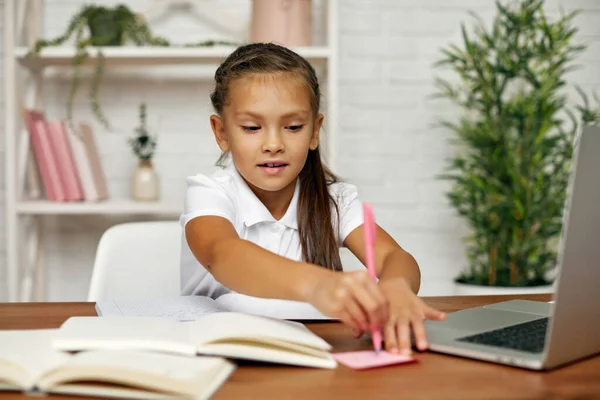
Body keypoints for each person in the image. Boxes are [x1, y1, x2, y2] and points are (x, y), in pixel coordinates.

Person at [180, 42, 446, 355]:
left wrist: (396, 286)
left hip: (311, 354)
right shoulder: (210, 192)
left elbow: (394, 258)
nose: (274, 144)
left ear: (314, 131)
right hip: (214, 356)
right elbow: (223, 254)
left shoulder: (335, 201)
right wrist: (317, 285)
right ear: (222, 132)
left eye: (293, 127)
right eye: (252, 127)